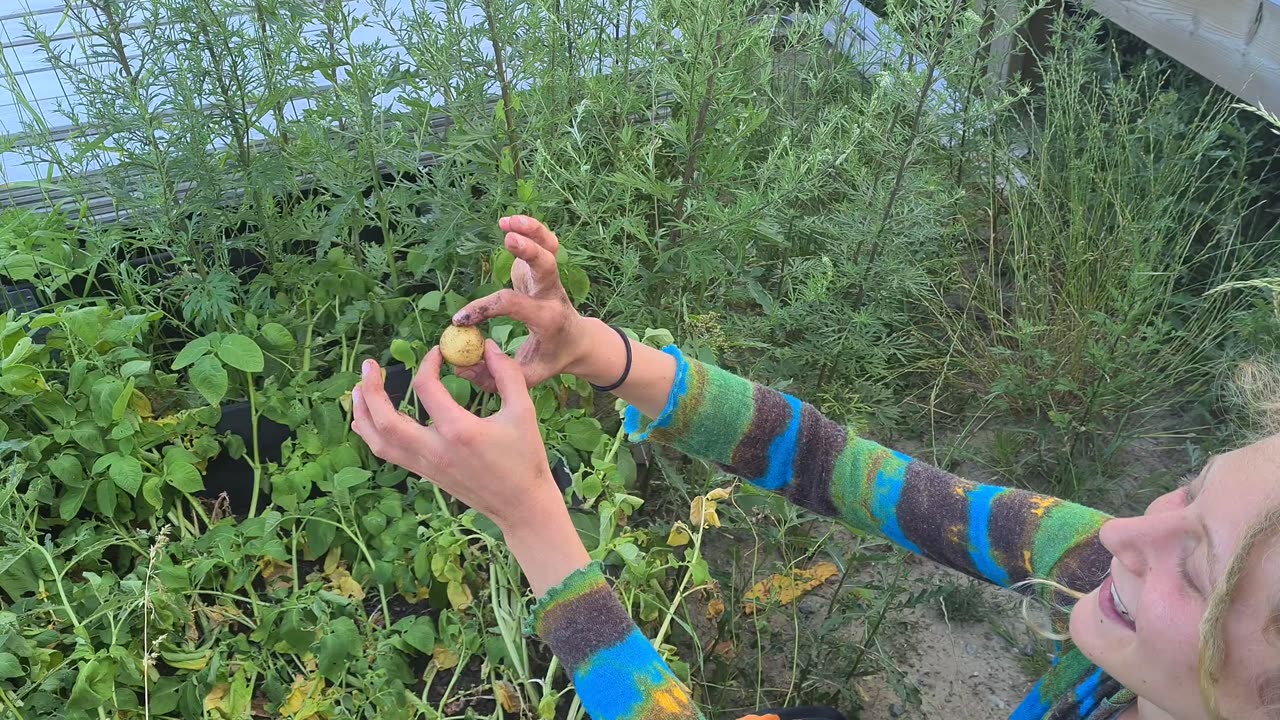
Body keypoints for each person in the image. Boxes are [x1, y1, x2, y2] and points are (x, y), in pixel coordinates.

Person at [349, 216, 1280, 720]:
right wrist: (601, 351)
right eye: (1189, 489)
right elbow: (837, 465)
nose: (1128, 531)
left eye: (1199, 571)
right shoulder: (1100, 576)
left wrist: (530, 519)